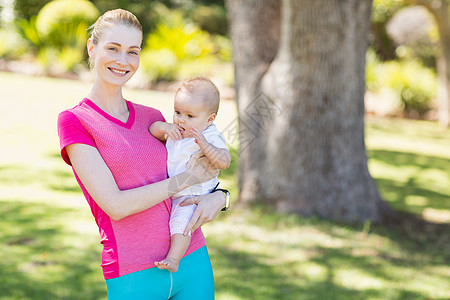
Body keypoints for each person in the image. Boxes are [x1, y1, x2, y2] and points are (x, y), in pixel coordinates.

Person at [57, 9, 227, 300]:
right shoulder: (75, 121)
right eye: (113, 48)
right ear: (92, 47)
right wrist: (188, 179)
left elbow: (198, 167)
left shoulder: (155, 119)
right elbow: (116, 205)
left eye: (132, 51)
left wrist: (221, 196)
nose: (123, 61)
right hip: (134, 275)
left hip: (192, 260)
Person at [150, 77, 231, 273]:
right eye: (177, 112)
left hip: (193, 196)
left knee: (181, 223)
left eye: (190, 116)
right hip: (176, 189)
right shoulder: (176, 129)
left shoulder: (210, 136)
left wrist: (206, 146)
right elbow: (153, 130)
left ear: (209, 119)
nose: (180, 120)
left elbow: (225, 161)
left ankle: (173, 259)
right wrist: (165, 127)